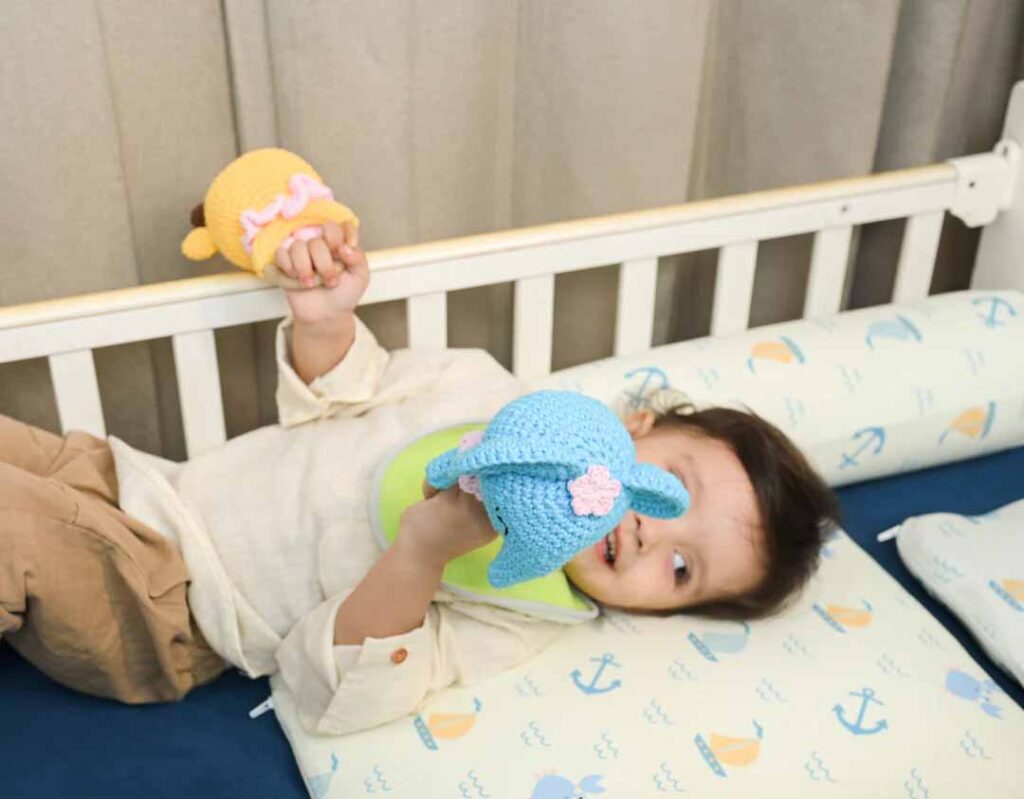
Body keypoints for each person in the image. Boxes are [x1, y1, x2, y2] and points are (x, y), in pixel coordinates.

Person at [0, 221, 839, 735]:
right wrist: (325, 321)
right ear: (635, 429)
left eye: (682, 572)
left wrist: (424, 551)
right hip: (131, 479)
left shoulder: (522, 608)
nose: (654, 534)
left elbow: (343, 690)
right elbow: (344, 390)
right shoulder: (479, 385)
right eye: (673, 493)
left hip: (166, 601)